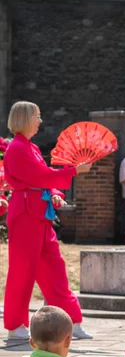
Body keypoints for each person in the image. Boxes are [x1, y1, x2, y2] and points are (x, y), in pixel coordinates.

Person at [3, 101, 92, 340]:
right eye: (37, 116)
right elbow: (39, 175)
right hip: (26, 217)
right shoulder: (18, 148)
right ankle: (14, 326)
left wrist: (54, 192)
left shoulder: (28, 147)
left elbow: (41, 180)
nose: (40, 121)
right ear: (24, 118)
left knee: (55, 271)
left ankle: (71, 320)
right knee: (23, 272)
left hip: (38, 214)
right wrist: (73, 171)